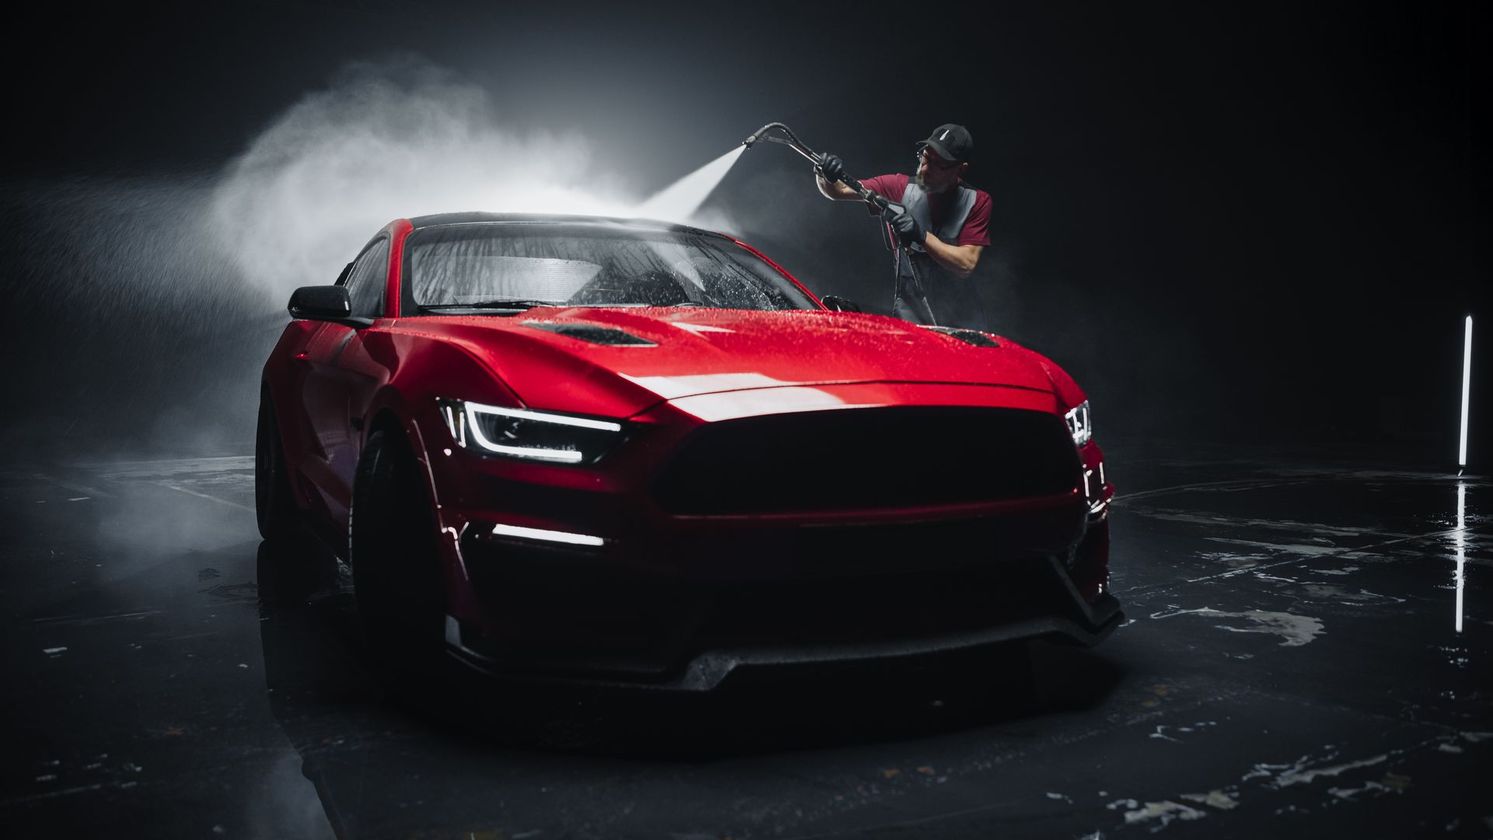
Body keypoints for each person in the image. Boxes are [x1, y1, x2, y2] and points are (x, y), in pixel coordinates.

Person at [815, 124, 991, 325]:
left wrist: (921, 235)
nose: (925, 169)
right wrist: (825, 176)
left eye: (938, 164)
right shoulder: (898, 187)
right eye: (925, 157)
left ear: (961, 169)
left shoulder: (976, 201)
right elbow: (839, 190)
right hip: (912, 319)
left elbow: (965, 264)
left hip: (962, 321)